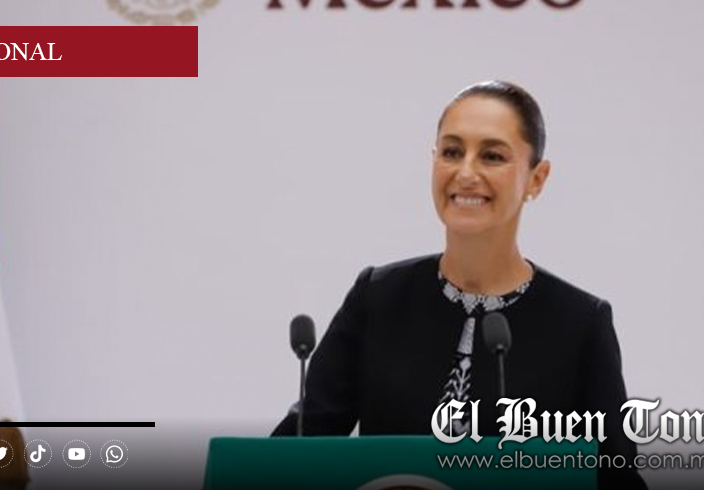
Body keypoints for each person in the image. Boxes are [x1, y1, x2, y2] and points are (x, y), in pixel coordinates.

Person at [272, 80, 646, 489]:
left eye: (492, 156)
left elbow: (616, 479)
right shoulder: (378, 297)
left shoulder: (579, 324)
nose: (466, 173)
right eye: (452, 152)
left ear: (537, 179)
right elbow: (296, 451)